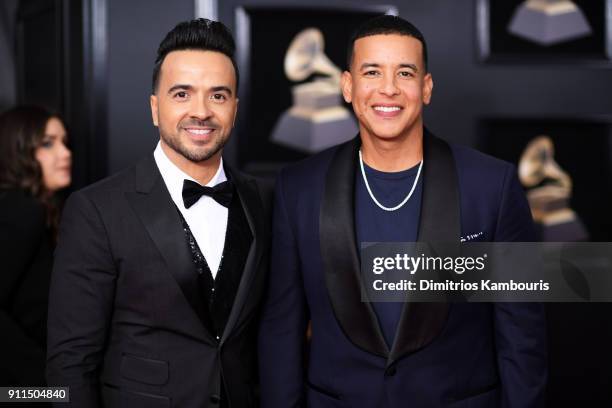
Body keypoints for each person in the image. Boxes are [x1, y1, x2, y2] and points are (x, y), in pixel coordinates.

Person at [258, 15, 547, 408]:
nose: (389, 89)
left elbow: (522, 336)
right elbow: (282, 329)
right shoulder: (298, 188)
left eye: (405, 73)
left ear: (426, 88)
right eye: (372, 72)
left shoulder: (493, 186)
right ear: (347, 85)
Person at [47, 19, 271, 407]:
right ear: (155, 107)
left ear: (234, 108)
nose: (201, 112)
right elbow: (71, 364)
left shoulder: (264, 201)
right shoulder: (96, 210)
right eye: (182, 94)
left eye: (218, 96)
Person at [0, 106, 71, 389]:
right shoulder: (21, 210)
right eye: (47, 143)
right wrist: (44, 387)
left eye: (64, 142)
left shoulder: (38, 212)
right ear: (17, 151)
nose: (65, 153)